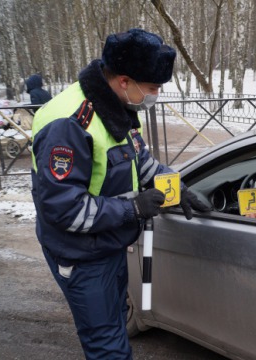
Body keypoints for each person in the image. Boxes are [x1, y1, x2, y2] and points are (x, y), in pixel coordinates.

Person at [30, 28, 210, 359]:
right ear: (125, 81)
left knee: (113, 327)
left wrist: (176, 187)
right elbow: (64, 209)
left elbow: (138, 161)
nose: (156, 95)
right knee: (107, 346)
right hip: (80, 255)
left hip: (108, 245)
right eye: (153, 88)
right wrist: (134, 209)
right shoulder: (69, 125)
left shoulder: (114, 105)